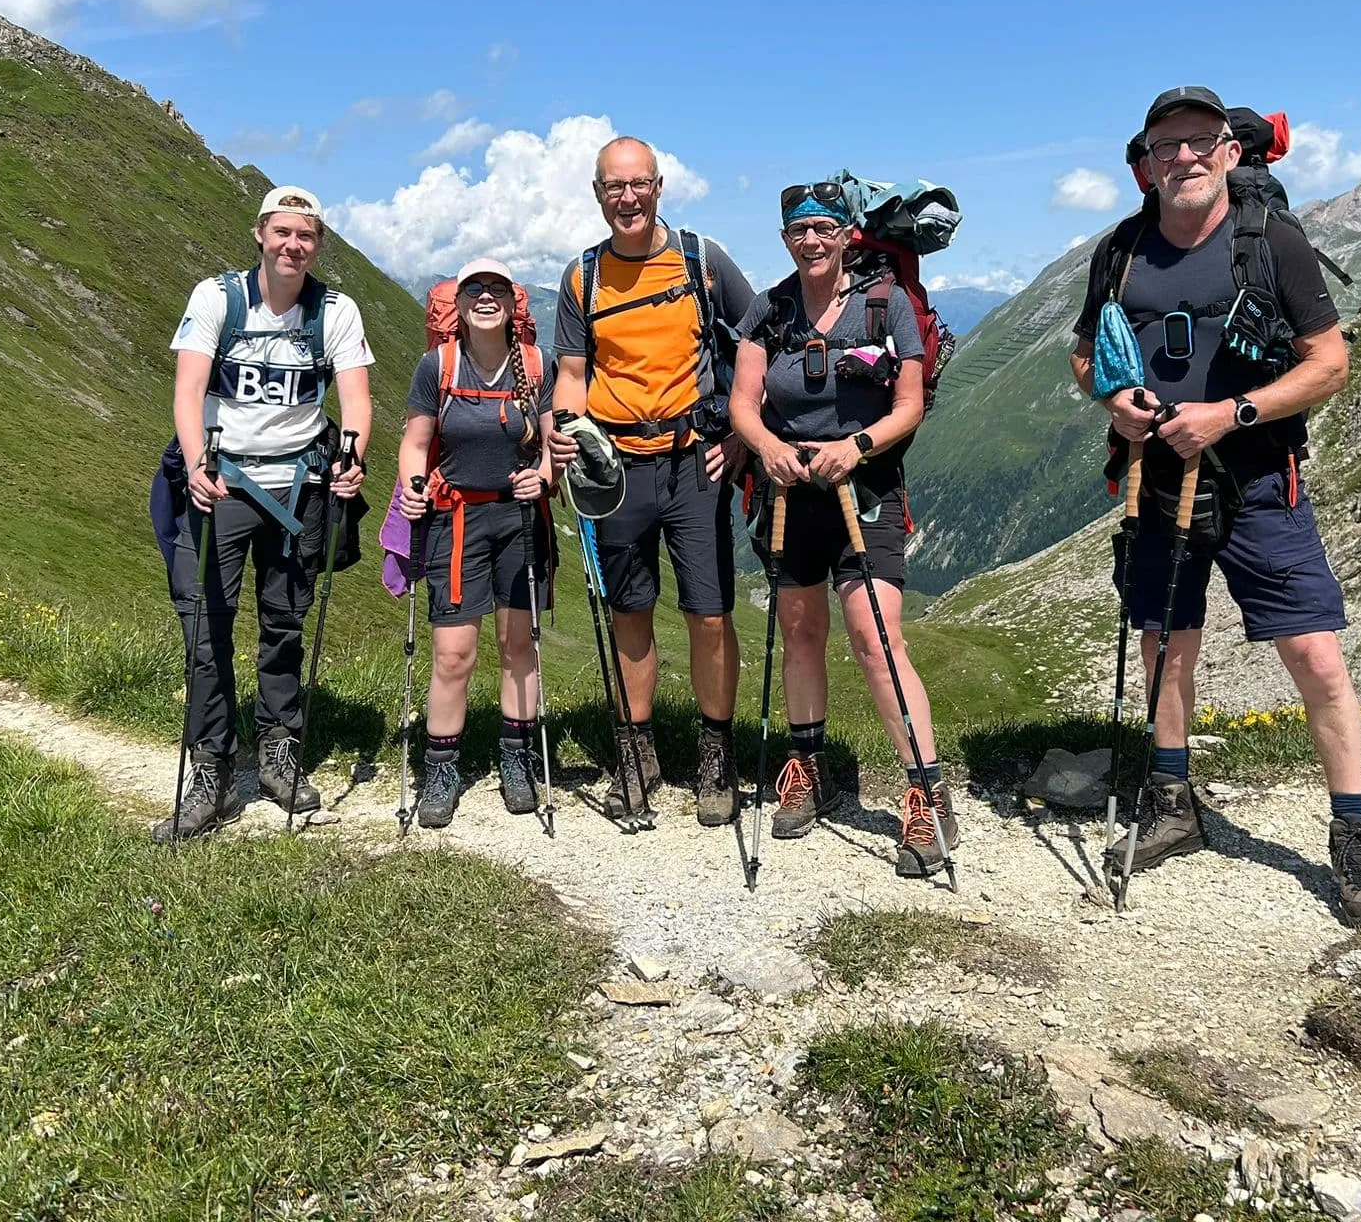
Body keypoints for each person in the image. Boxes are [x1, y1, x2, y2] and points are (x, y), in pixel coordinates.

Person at [1070, 86, 1361, 928]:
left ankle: (1354, 833)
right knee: (1165, 641)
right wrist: (1114, 401)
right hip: (1154, 476)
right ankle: (1174, 799)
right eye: (1163, 146)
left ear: (1228, 153)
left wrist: (1233, 413)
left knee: (1314, 654)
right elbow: (1086, 356)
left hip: (1259, 479)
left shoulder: (1271, 243)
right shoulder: (1122, 249)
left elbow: (1328, 363)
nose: (1180, 157)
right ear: (1144, 164)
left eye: (1197, 143)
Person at [729, 179, 956, 878]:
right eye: (800, 231)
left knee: (875, 635)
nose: (812, 241)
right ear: (785, 239)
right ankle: (809, 766)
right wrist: (767, 448)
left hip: (866, 490)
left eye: (825, 228)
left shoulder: (885, 303)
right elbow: (744, 401)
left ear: (848, 233)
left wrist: (854, 449)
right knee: (800, 631)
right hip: (792, 492)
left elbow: (910, 404)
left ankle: (927, 792)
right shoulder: (770, 311)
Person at [153, 186, 374, 843]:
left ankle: (280, 752)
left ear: (318, 243)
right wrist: (195, 465)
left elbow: (356, 399)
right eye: (282, 232)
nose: (292, 245)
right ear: (259, 234)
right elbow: (189, 387)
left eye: (305, 235)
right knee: (202, 624)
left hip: (298, 486)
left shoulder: (335, 310)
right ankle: (212, 767)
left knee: (284, 622)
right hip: (221, 481)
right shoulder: (216, 298)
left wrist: (352, 455)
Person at [547, 136, 756, 823]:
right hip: (616, 468)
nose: (628, 198)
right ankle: (637, 755)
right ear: (598, 192)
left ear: (659, 187)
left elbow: (757, 343)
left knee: (710, 613)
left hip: (697, 461)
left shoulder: (702, 260)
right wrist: (562, 427)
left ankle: (715, 759)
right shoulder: (583, 279)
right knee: (629, 611)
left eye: (639, 185)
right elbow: (573, 375)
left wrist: (740, 436)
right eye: (615, 186)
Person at [394, 259, 556, 828]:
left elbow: (550, 446)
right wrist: (413, 486)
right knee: (453, 654)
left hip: (518, 520)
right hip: (455, 521)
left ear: (513, 305)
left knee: (519, 646)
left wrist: (546, 476)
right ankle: (442, 767)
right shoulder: (435, 365)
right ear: (457, 305)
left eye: (496, 290)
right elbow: (416, 443)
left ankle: (517, 758)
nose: (485, 298)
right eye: (473, 290)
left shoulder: (536, 366)